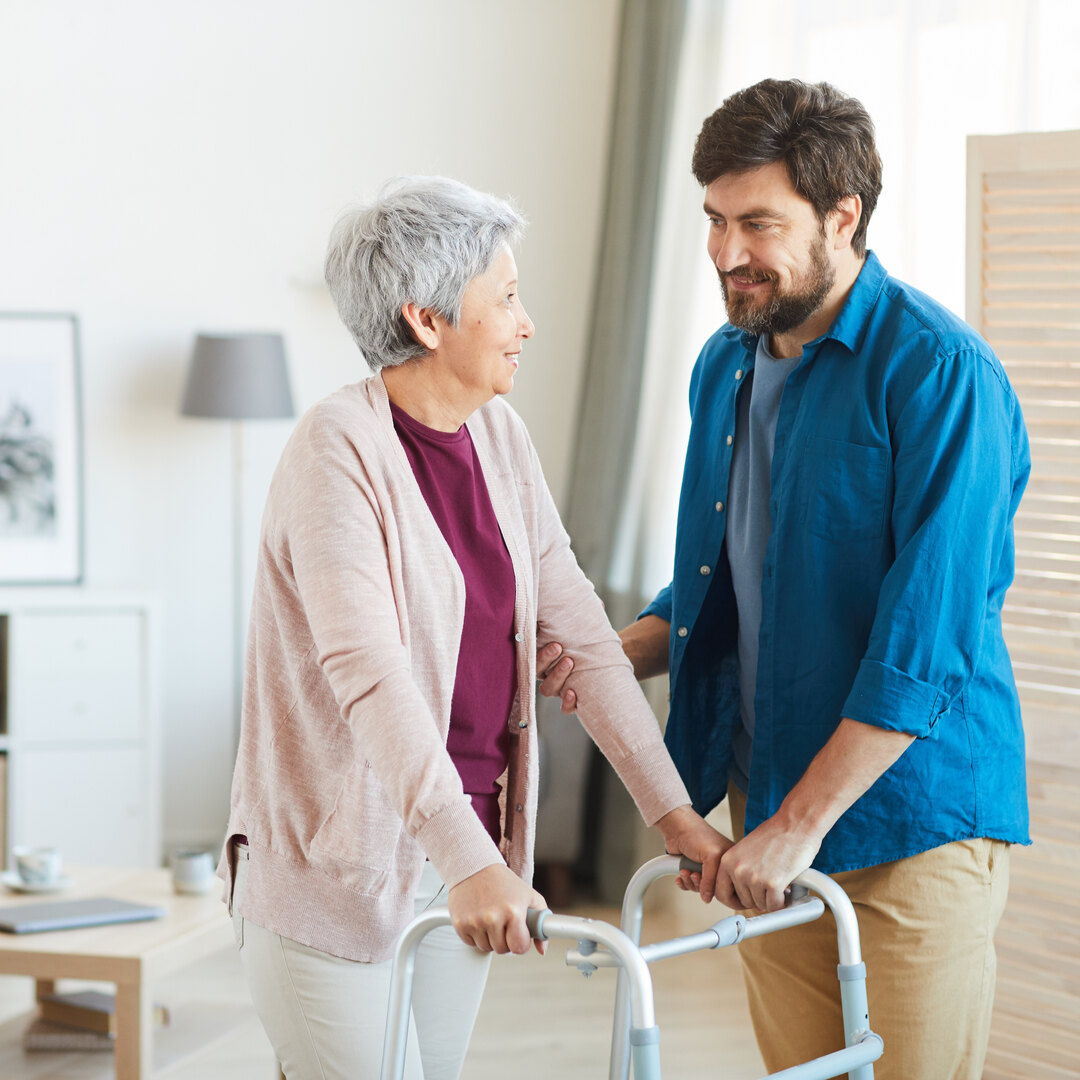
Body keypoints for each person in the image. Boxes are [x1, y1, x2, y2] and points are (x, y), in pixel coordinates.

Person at [540, 79, 1029, 1079]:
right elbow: (721, 583)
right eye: (714, 221)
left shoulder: (941, 374)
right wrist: (606, 651)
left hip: (909, 827)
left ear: (842, 216)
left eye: (757, 223)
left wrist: (798, 826)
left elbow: (924, 648)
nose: (727, 255)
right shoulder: (724, 365)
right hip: (764, 817)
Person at [217, 175, 728, 1080]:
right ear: (427, 321)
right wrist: (469, 865)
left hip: (466, 853)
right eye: (508, 298)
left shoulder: (499, 437)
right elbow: (369, 674)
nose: (528, 322)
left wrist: (674, 814)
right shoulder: (335, 452)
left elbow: (585, 638)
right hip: (340, 872)